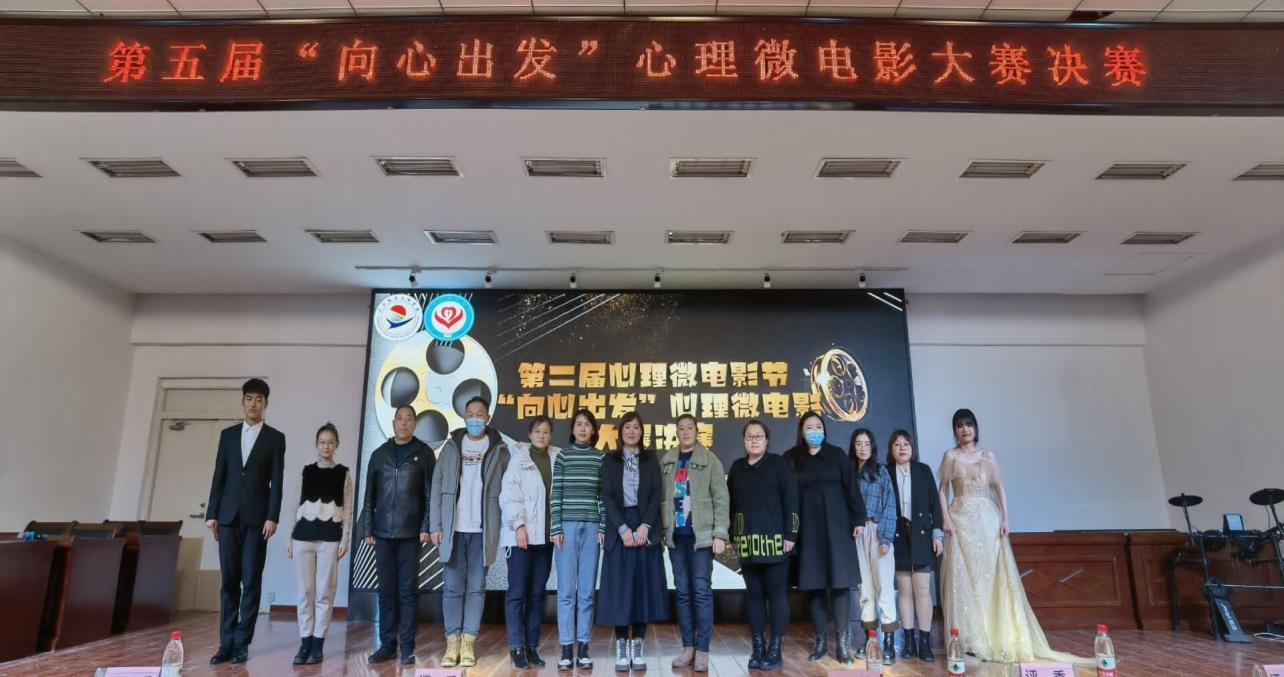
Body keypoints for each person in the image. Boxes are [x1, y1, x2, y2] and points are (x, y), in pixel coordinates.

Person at [938, 409, 1088, 665]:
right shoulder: (950, 456)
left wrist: (1005, 518)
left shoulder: (987, 456)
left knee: (991, 578)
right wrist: (946, 518)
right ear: (955, 430)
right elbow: (942, 490)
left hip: (987, 520)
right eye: (960, 426)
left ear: (976, 428)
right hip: (960, 521)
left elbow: (999, 488)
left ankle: (997, 634)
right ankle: (970, 638)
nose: (965, 430)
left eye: (969, 425)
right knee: (964, 580)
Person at [205, 378, 286, 665]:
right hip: (228, 517)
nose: (254, 404)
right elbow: (219, 475)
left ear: (266, 404)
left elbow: (277, 481)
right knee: (229, 581)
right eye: (249, 398)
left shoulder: (275, 438)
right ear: (243, 401)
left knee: (251, 580)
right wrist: (212, 513)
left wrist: (272, 516)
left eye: (259, 399)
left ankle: (242, 643)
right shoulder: (228, 435)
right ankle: (225, 643)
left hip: (256, 520)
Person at [430, 396, 511, 669]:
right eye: (470, 414)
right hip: (454, 528)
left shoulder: (500, 449)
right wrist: (435, 525)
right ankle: (452, 642)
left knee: (476, 588)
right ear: (464, 417)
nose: (475, 418)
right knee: (452, 588)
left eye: (480, 414)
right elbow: (437, 486)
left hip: (482, 530)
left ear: (488, 418)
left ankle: (468, 642)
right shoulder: (452, 446)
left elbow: (508, 491)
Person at [785, 411, 867, 666]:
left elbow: (852, 489)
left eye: (818, 426)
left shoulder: (837, 455)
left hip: (838, 529)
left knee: (841, 585)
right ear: (801, 432)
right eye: (809, 427)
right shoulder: (792, 458)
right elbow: (787, 497)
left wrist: (859, 519)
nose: (814, 431)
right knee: (815, 586)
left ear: (824, 429)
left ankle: (842, 644)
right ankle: (820, 641)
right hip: (808, 531)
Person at [360, 404, 434, 665]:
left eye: (408, 419)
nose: (404, 423)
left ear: (414, 423)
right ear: (393, 423)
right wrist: (367, 528)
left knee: (408, 592)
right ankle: (387, 645)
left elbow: (430, 494)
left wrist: (426, 526)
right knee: (386, 592)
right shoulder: (379, 454)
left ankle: (407, 647)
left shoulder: (424, 454)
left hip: (411, 533)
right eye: (399, 419)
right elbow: (369, 496)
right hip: (382, 533)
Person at [598, 412, 668, 672]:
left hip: (645, 525)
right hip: (620, 527)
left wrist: (646, 526)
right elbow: (607, 496)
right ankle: (621, 645)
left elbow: (656, 494)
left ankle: (638, 644)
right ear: (621, 431)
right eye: (627, 427)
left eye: (636, 427)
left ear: (641, 432)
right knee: (620, 590)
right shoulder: (610, 460)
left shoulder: (650, 459)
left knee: (642, 589)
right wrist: (623, 529)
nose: (631, 431)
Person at [660, 414, 729, 674]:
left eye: (690, 428)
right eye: (681, 428)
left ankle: (703, 650)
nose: (686, 432)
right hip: (677, 538)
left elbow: (721, 498)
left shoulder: (710, 460)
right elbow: (660, 500)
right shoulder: (667, 462)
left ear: (697, 432)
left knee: (701, 591)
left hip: (701, 538)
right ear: (676, 433)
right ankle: (687, 647)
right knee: (682, 592)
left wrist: (720, 534)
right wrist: (662, 533)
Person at [727, 419, 798, 672]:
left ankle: (775, 649)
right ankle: (758, 648)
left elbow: (792, 501)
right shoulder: (737, 468)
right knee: (754, 597)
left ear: (767, 440)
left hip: (776, 543)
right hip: (747, 543)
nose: (754, 440)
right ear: (744, 441)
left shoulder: (779, 464)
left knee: (776, 596)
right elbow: (730, 505)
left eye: (758, 436)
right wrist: (731, 535)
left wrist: (791, 535)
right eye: (749, 436)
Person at [284, 422, 351, 665]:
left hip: (330, 538)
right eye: (322, 442)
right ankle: (304, 642)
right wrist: (289, 538)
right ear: (316, 444)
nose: (326, 446)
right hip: (303, 536)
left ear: (337, 445)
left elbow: (348, 509)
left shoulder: (343, 473)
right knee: (305, 592)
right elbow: (294, 505)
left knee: (325, 592)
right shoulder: (306, 471)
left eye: (331, 442)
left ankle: (318, 643)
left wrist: (345, 539)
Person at [498, 416, 559, 669]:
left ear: (550, 435)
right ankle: (516, 647)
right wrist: (519, 525)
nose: (541, 436)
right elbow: (509, 495)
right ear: (530, 435)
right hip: (520, 538)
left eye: (546, 432)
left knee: (536, 594)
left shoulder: (557, 458)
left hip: (545, 539)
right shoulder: (518, 459)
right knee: (517, 594)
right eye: (537, 431)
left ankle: (532, 646)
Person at [550, 409, 606, 670]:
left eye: (587, 425)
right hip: (566, 529)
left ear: (594, 430)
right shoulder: (563, 456)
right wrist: (556, 527)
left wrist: (603, 525)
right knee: (565, 591)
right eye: (579, 424)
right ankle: (565, 648)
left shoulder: (600, 458)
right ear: (572, 429)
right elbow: (556, 493)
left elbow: (603, 497)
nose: (583, 429)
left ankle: (583, 647)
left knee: (586, 592)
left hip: (592, 527)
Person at [887, 429, 942, 663]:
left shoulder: (923, 470)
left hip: (922, 535)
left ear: (912, 448)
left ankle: (924, 642)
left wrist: (937, 534)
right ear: (891, 450)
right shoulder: (886, 472)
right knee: (904, 591)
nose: (902, 448)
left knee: (922, 590)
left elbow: (935, 504)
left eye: (906, 444)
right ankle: (908, 641)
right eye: (897, 444)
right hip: (897, 536)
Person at [850, 428, 899, 664]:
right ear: (853, 447)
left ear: (872, 447)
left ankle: (888, 643)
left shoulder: (881, 472)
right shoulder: (849, 474)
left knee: (884, 587)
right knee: (865, 589)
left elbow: (890, 504)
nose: (863, 448)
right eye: (858, 444)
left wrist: (886, 538)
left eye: (866, 444)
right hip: (857, 534)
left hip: (878, 531)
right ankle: (870, 639)